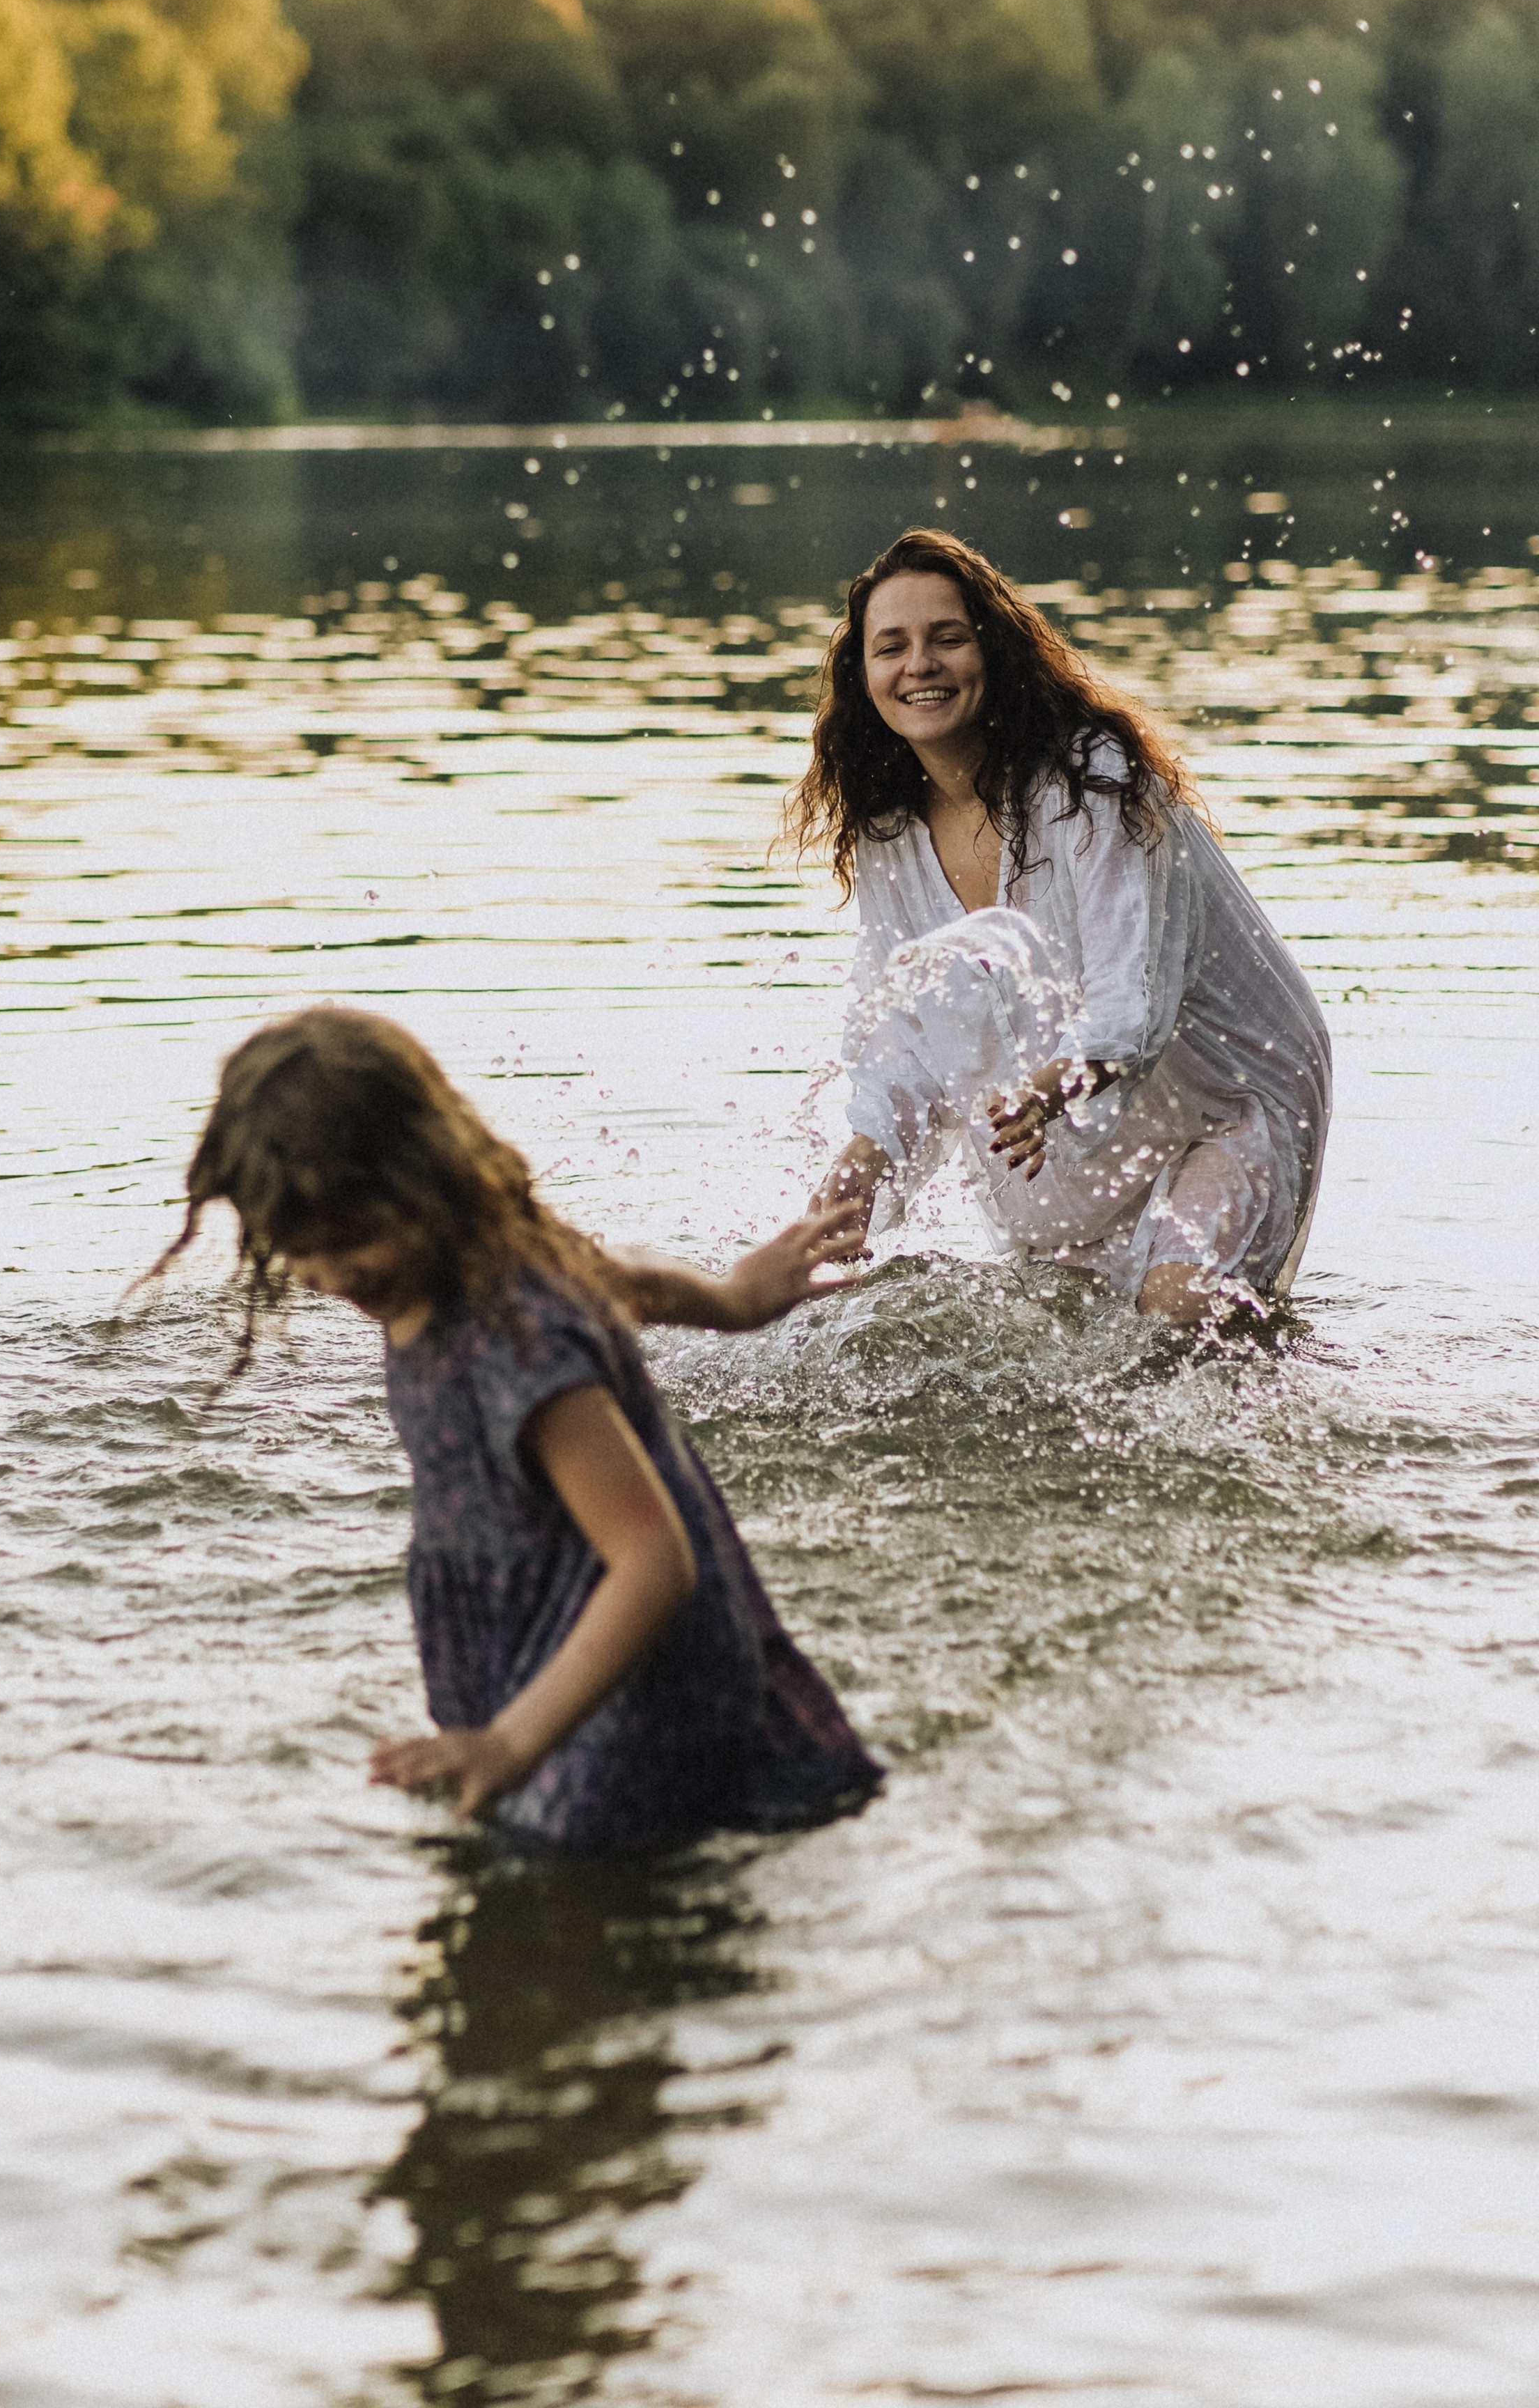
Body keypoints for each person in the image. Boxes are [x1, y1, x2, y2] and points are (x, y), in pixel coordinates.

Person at [146, 1006, 881, 1857]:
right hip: (561, 1652)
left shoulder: (510, 1341)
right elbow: (621, 1280)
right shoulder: (463, 1252)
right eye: (298, 1250)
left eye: (351, 1241)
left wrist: (511, 1743)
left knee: (573, 1914)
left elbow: (654, 1559)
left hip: (632, 1693)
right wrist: (729, 1301)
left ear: (419, 1178)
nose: (330, 1274)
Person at [786, 527, 1331, 1324]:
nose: (919, 666)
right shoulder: (886, 828)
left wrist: (1043, 1096)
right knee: (1073, 1334)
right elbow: (903, 1033)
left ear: (994, 652)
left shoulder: (1093, 780)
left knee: (1175, 1312)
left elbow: (1130, 996)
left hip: (1232, 1090)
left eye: (947, 638)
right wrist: (860, 1169)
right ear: (862, 676)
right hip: (1077, 1117)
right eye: (890, 647)